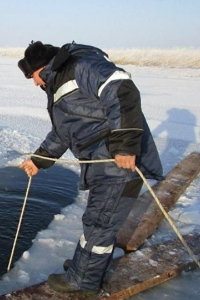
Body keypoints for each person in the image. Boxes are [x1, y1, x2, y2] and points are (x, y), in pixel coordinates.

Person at [17, 41, 163, 295]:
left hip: (115, 164)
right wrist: (38, 159)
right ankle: (85, 268)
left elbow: (120, 87)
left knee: (99, 224)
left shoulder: (81, 66)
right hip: (104, 164)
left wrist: (125, 144)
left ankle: (83, 283)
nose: (35, 83)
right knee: (97, 221)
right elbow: (64, 133)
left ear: (42, 67)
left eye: (32, 76)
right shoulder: (61, 83)